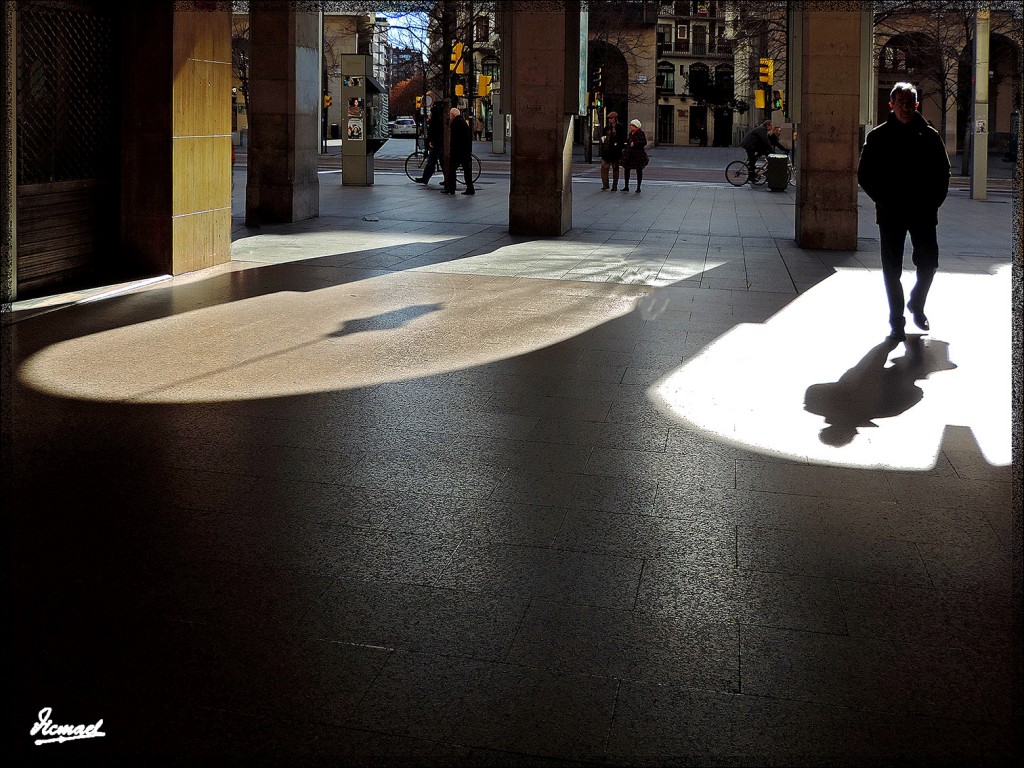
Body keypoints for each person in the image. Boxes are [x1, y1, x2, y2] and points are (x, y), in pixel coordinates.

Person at [858, 81, 951, 342]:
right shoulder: (878, 137)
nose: (906, 108)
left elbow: (943, 172)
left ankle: (916, 304)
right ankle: (896, 320)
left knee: (929, 264)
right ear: (891, 105)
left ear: (917, 105)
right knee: (891, 269)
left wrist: (934, 202)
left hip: (923, 213)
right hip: (891, 213)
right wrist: (884, 199)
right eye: (901, 103)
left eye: (910, 103)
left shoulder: (930, 136)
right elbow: (864, 174)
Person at [442, 107, 475, 195]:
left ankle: (451, 188)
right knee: (467, 171)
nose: (450, 116)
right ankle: (470, 188)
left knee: (452, 170)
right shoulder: (463, 122)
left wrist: (453, 150)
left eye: (450, 115)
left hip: (458, 151)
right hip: (465, 151)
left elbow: (455, 139)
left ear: (452, 115)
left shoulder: (456, 123)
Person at [413, 104, 445, 185]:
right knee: (443, 162)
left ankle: (425, 178)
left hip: (437, 144)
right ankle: (447, 179)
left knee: (431, 161)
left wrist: (431, 141)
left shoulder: (435, 120)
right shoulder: (440, 119)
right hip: (440, 143)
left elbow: (433, 132)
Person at [598, 111, 627, 190]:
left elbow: (622, 138)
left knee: (615, 168)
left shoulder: (619, 127)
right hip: (607, 151)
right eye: (609, 118)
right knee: (604, 167)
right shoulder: (607, 127)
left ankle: (614, 185)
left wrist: (618, 145)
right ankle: (605, 184)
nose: (610, 120)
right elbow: (603, 136)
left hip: (615, 151)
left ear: (615, 119)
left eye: (612, 118)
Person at [620, 118, 649, 193]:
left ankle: (638, 187)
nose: (631, 127)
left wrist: (636, 143)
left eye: (632, 125)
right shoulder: (631, 133)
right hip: (629, 154)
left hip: (637, 154)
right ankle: (626, 186)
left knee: (639, 170)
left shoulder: (640, 133)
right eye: (631, 125)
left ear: (636, 126)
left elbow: (644, 142)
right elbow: (628, 141)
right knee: (626, 169)